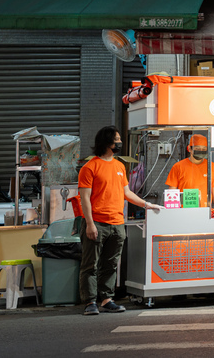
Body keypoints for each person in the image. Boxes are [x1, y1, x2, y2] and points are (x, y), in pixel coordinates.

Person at [78, 125, 161, 316]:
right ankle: (90, 301)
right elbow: (84, 198)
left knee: (110, 264)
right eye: (116, 139)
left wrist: (147, 204)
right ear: (107, 142)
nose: (119, 142)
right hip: (96, 223)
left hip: (117, 224)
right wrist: (90, 224)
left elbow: (127, 193)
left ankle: (107, 299)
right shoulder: (90, 167)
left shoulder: (119, 166)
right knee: (90, 265)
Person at [165, 134, 214, 208]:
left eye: (204, 149)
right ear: (189, 149)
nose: (201, 151)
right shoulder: (178, 167)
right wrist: (172, 211)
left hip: (205, 211)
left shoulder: (212, 167)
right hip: (184, 210)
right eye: (197, 149)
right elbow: (172, 191)